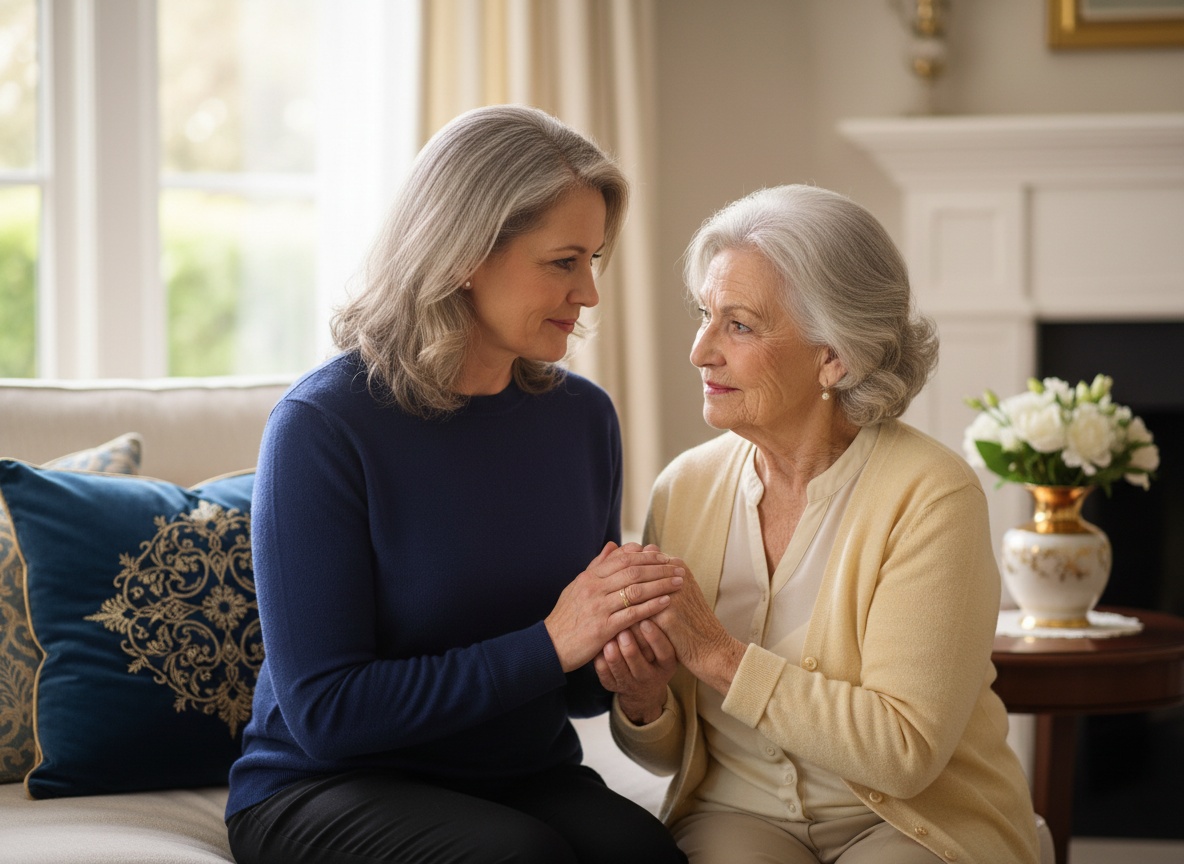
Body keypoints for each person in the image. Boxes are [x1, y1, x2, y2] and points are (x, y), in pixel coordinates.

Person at [225, 105, 688, 864]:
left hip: (518, 775)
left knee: (644, 854)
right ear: (465, 251)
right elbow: (327, 713)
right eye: (563, 262)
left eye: (594, 260)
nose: (589, 293)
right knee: (516, 858)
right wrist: (550, 641)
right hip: (329, 783)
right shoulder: (323, 426)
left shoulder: (582, 419)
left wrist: (631, 678)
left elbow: (572, 688)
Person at [595, 185, 1041, 863]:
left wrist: (718, 655)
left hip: (912, 821)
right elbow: (672, 754)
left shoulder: (931, 495)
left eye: (739, 326)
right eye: (706, 316)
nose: (700, 351)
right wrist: (644, 699)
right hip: (738, 817)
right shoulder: (684, 489)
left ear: (833, 355)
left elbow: (904, 753)